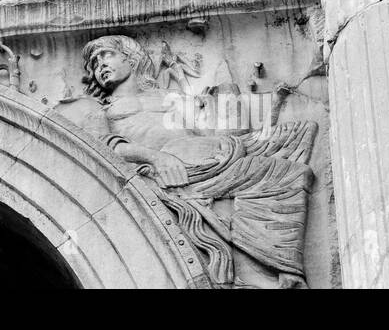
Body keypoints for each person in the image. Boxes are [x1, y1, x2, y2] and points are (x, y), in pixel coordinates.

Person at [55, 37, 316, 288]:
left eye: (106, 55)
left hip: (215, 155)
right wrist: (156, 158)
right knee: (284, 172)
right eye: (94, 63)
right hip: (174, 169)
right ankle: (282, 267)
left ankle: (281, 268)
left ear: (131, 59)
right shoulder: (100, 110)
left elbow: (209, 131)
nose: (99, 65)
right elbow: (103, 149)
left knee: (298, 146)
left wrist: (220, 105)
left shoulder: (169, 96)